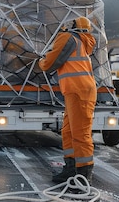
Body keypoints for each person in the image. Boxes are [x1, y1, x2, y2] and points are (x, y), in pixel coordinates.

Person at [39, 17, 97, 183]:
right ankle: (71, 168)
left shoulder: (68, 38)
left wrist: (41, 62)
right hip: (77, 90)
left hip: (78, 91)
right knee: (68, 131)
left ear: (72, 26)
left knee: (80, 134)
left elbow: (51, 63)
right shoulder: (82, 42)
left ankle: (84, 174)